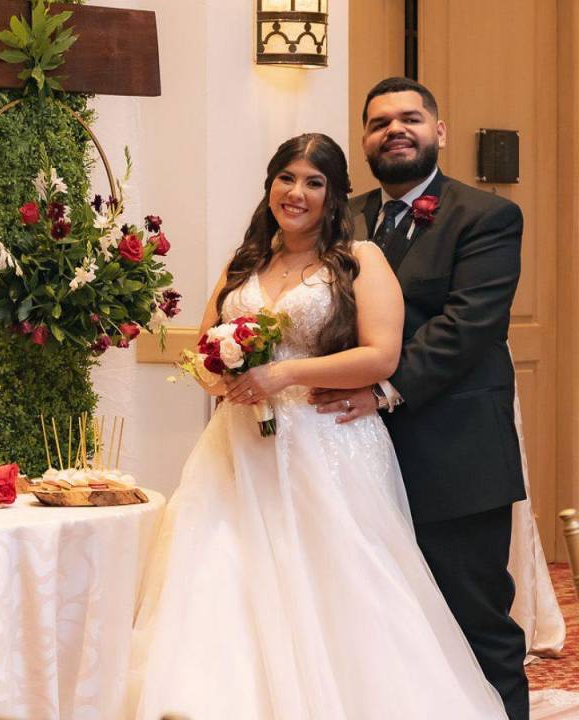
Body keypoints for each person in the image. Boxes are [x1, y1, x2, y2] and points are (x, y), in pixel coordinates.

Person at [128, 132, 506, 719]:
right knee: (224, 576)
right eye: (286, 178)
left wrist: (284, 376)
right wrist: (218, 377)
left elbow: (381, 355)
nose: (296, 193)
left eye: (313, 182)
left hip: (327, 440)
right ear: (270, 184)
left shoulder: (360, 259)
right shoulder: (245, 262)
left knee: (339, 581)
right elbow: (205, 344)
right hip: (236, 448)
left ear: (334, 197)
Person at [311, 77, 528, 720]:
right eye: (379, 123)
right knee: (380, 625)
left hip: (455, 457)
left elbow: (468, 325)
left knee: (474, 620)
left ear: (441, 132)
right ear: (364, 141)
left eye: (410, 118)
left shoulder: (486, 216)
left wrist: (382, 387)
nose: (394, 130)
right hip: (350, 457)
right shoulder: (339, 218)